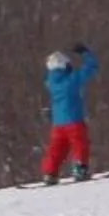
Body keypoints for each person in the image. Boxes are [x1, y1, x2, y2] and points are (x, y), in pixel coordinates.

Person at [41, 44, 100, 184]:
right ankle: (80, 169)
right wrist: (86, 53)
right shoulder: (71, 80)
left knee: (56, 149)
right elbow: (91, 68)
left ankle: (50, 173)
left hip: (58, 124)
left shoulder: (50, 83)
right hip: (74, 120)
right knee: (79, 144)